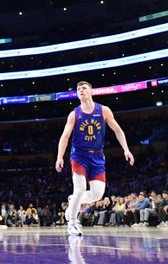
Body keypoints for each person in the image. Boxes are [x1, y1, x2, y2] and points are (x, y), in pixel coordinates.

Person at [55, 80, 134, 236]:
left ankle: (73, 203)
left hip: (98, 155)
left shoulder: (104, 110)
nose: (81, 91)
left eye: (84, 88)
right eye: (78, 89)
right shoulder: (74, 114)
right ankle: (72, 222)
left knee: (97, 194)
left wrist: (126, 149)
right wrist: (59, 157)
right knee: (80, 188)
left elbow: (118, 130)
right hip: (79, 155)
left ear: (91, 91)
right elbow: (64, 136)